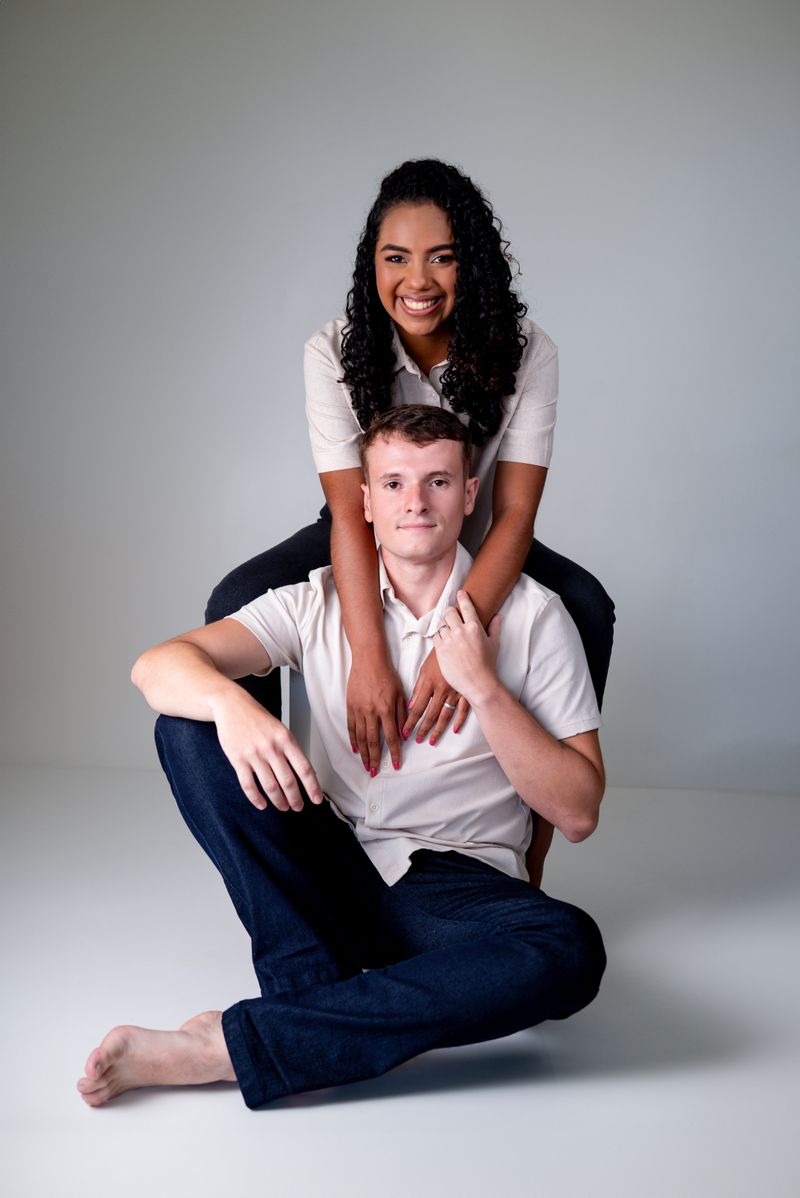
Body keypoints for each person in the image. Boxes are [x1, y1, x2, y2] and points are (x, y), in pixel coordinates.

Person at [77, 406, 606, 1110]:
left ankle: (240, 1042)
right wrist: (234, 706)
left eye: (438, 481)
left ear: (469, 495)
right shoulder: (314, 600)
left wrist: (483, 686)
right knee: (189, 725)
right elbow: (156, 666)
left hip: (449, 890)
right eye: (393, 484)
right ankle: (312, 1002)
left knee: (569, 948)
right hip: (325, 860)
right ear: (364, 502)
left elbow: (578, 812)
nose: (415, 503)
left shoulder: (537, 616)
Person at [206, 159, 614, 885]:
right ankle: (278, 840)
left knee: (585, 605)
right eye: (396, 258)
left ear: (471, 265)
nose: (416, 280)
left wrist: (455, 637)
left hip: (477, 528)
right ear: (372, 264)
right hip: (366, 523)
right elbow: (347, 511)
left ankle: (528, 859)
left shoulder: (527, 351)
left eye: (441, 258)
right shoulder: (332, 349)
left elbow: (515, 513)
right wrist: (369, 653)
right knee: (234, 598)